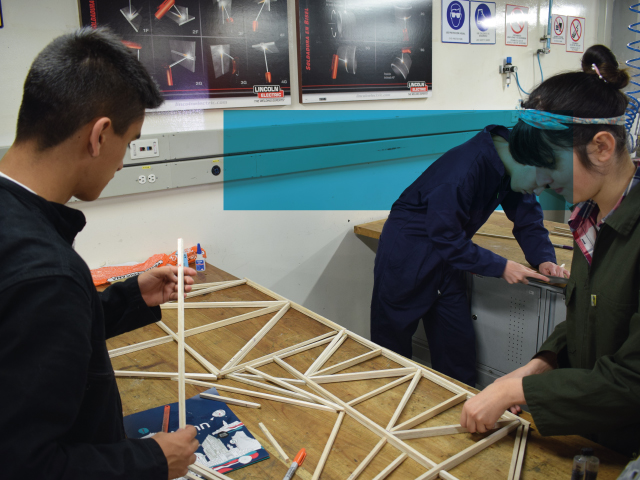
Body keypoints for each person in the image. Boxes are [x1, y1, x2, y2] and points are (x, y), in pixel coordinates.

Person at [0, 28, 200, 479]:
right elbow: (24, 466)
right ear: (99, 135)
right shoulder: (47, 275)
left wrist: (127, 299)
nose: (122, 162)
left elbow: (22, 337)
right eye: (128, 143)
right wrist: (153, 460)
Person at [460, 45, 640, 458]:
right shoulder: (591, 221)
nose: (537, 181)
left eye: (548, 163)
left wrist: (516, 387)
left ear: (602, 147)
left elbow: (633, 379)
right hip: (595, 436)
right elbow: (589, 318)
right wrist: (540, 365)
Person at [371, 122, 568, 386]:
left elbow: (527, 216)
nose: (539, 190)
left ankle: (464, 412)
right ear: (527, 162)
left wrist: (544, 258)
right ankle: (386, 404)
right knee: (391, 345)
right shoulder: (462, 171)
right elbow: (445, 236)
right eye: (541, 183)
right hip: (409, 254)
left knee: (457, 346)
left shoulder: (514, 161)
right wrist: (501, 266)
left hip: (450, 257)